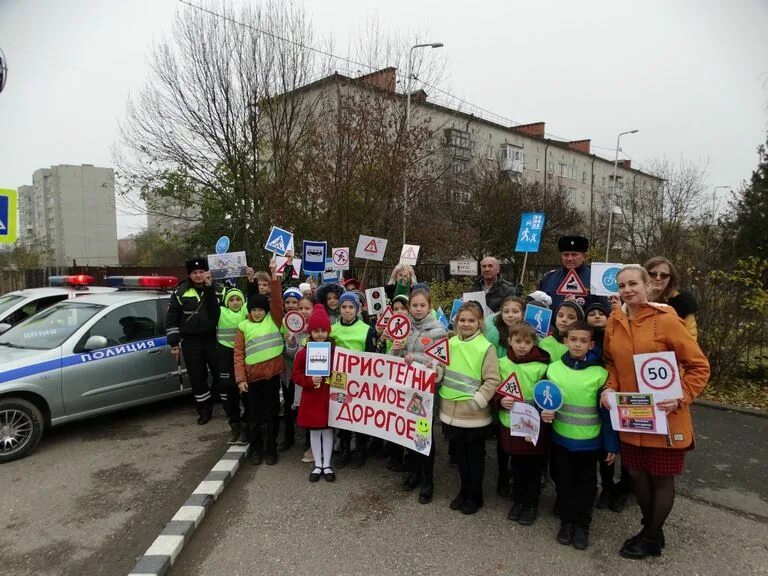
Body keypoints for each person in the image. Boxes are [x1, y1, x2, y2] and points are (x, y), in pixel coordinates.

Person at [601, 264, 710, 559]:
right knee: (636, 474)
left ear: (648, 285)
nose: (627, 290)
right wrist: (609, 387)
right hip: (631, 414)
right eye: (622, 285)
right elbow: (610, 361)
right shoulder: (615, 321)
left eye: (634, 283)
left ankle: (649, 536)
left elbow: (699, 366)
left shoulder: (667, 321)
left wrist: (681, 396)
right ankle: (652, 529)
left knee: (661, 477)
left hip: (665, 414)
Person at [545, 320, 618, 551]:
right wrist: (543, 412)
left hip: (589, 444)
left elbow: (607, 416)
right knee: (564, 484)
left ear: (592, 344)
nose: (577, 345)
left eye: (583, 341)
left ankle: (582, 526)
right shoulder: (554, 369)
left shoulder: (600, 374)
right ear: (565, 341)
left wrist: (611, 446)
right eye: (573, 340)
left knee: (586, 487)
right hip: (560, 441)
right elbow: (544, 400)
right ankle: (566, 523)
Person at [440, 302, 501, 515]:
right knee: (460, 457)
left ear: (480, 323)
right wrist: (437, 372)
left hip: (474, 414)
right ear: (456, 322)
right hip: (450, 411)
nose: (466, 324)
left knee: (475, 457)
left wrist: (479, 399)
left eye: (471, 320)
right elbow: (443, 368)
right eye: (462, 320)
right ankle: (463, 490)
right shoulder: (451, 343)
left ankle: (476, 495)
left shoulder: (486, 347)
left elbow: (493, 379)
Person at [390, 288, 446, 504]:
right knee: (407, 431)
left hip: (425, 393)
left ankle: (427, 480)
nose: (418, 309)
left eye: (422, 305)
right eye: (414, 305)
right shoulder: (403, 327)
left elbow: (439, 362)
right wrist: (396, 350)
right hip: (405, 389)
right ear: (409, 307)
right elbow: (394, 359)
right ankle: (413, 472)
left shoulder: (438, 330)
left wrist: (417, 359)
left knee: (424, 434)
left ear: (429, 306)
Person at [496, 322, 550, 526]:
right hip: (510, 424)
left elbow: (548, 397)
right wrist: (500, 400)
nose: (522, 346)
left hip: (533, 427)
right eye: (517, 341)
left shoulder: (542, 367)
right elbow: (495, 388)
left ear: (533, 343)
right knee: (517, 466)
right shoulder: (502, 363)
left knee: (533, 468)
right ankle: (517, 500)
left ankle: (531, 504)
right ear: (509, 341)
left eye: (527, 342)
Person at [234, 263, 284, 466]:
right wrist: (240, 379)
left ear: (266, 310)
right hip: (252, 380)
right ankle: (256, 449)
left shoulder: (274, 319)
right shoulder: (243, 327)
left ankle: (271, 449)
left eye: (260, 310)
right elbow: (238, 354)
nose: (257, 313)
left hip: (271, 377)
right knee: (254, 417)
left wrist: (274, 276)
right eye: (254, 309)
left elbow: (278, 302)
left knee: (271, 416)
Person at [166, 258, 221, 425]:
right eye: (195, 272)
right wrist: (174, 344)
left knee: (220, 374)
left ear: (207, 272)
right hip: (191, 342)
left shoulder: (217, 289)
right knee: (197, 377)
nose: (198, 275)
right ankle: (204, 409)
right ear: (190, 274)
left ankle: (222, 402)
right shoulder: (180, 292)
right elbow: (172, 319)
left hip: (214, 339)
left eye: (201, 271)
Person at [330, 291, 378, 468]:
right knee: (342, 414)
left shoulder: (366, 330)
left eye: (351, 307)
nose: (347, 310)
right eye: (344, 307)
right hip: (339, 380)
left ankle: (360, 449)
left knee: (359, 415)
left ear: (357, 309)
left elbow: (372, 358)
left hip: (360, 381)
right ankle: (344, 449)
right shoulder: (333, 330)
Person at [292, 304, 337, 482]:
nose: (320, 334)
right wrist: (310, 381)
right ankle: (317, 464)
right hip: (311, 397)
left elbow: (341, 372)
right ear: (310, 332)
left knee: (327, 430)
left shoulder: (334, 351)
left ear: (328, 332)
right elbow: (296, 375)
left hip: (327, 397)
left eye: (323, 331)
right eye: (316, 330)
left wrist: (332, 379)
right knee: (315, 431)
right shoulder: (303, 353)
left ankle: (327, 464)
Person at [538, 235, 608, 311]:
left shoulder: (596, 279)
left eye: (574, 254)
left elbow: (605, 309)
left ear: (584, 256)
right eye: (566, 255)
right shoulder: (549, 278)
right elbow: (539, 306)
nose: (570, 258)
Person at [216, 287, 249, 444]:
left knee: (246, 393)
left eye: (238, 299)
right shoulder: (220, 312)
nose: (235, 302)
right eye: (231, 299)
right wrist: (210, 286)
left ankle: (246, 425)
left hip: (243, 355)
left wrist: (251, 283)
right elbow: (209, 305)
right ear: (226, 302)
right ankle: (234, 426)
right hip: (225, 355)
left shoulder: (246, 312)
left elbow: (253, 297)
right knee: (229, 393)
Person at [644, 256, 699, 340]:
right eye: (653, 274)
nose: (658, 278)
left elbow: (690, 336)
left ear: (670, 279)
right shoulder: (632, 299)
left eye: (664, 275)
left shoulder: (682, 303)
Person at [278, 287, 304, 452]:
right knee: (288, 404)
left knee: (303, 405)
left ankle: (308, 440)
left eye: (295, 302)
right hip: (287, 371)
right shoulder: (282, 322)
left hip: (302, 372)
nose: (291, 305)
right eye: (288, 302)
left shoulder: (306, 322)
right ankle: (288, 437)